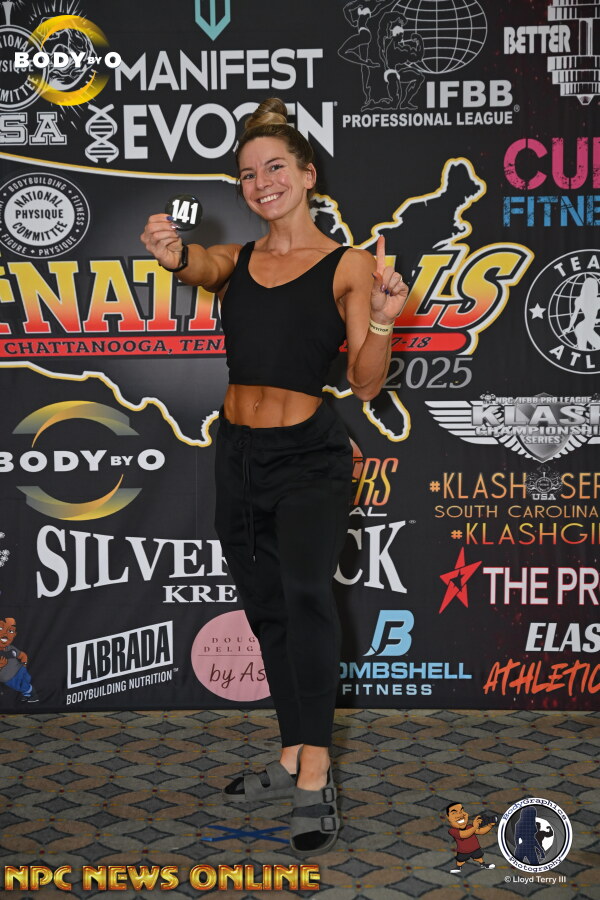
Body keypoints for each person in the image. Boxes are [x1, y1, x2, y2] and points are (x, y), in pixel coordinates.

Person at [140, 97, 408, 856]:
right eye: (249, 174)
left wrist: (384, 318)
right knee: (265, 609)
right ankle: (291, 751)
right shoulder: (240, 260)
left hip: (308, 459)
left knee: (306, 597)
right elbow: (198, 263)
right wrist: (172, 253)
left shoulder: (347, 264)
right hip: (236, 454)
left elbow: (365, 384)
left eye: (276, 168)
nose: (262, 183)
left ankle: (316, 775)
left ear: (308, 175)